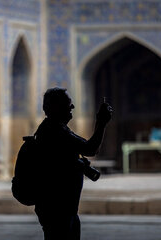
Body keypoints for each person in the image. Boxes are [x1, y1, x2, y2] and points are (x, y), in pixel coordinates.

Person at [33, 87, 112, 240]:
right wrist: (101, 123)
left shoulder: (56, 128)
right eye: (68, 104)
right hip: (57, 207)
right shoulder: (54, 130)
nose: (72, 107)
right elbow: (90, 148)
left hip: (61, 206)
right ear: (56, 107)